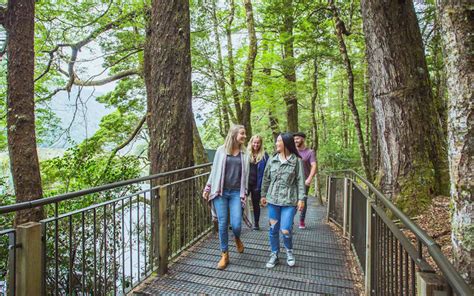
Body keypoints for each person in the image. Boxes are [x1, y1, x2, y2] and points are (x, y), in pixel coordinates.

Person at [202, 124, 249, 270]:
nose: (244, 136)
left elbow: (246, 175)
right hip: (220, 192)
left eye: (245, 134)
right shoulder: (221, 151)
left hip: (236, 193)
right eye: (242, 133)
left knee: (236, 224)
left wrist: (246, 192)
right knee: (222, 224)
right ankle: (224, 254)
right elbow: (214, 171)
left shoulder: (245, 154)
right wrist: (208, 188)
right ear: (234, 134)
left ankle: (236, 237)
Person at [261, 132, 305, 268]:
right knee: (273, 228)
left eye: (278, 141)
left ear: (285, 143)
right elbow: (266, 178)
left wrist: (301, 199)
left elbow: (300, 181)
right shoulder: (272, 159)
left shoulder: (296, 161)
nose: (276, 143)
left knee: (285, 229)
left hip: (289, 201)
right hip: (273, 199)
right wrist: (263, 195)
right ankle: (274, 254)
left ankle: (289, 251)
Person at [293, 132, 316, 229]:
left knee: (303, 200)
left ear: (303, 139)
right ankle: (290, 220)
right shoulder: (292, 151)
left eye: (297, 139)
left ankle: (301, 221)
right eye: (294, 139)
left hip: (304, 181)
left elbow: (314, 166)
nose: (295, 141)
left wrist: (310, 178)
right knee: (292, 200)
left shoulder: (310, 152)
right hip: (293, 180)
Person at [247, 135, 269, 230]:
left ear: (260, 144)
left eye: (258, 142)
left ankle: (256, 223)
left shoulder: (264, 155)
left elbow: (268, 170)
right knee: (240, 202)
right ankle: (236, 222)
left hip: (257, 184)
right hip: (247, 183)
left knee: (256, 204)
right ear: (251, 143)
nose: (256, 144)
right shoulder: (246, 154)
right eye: (254, 142)